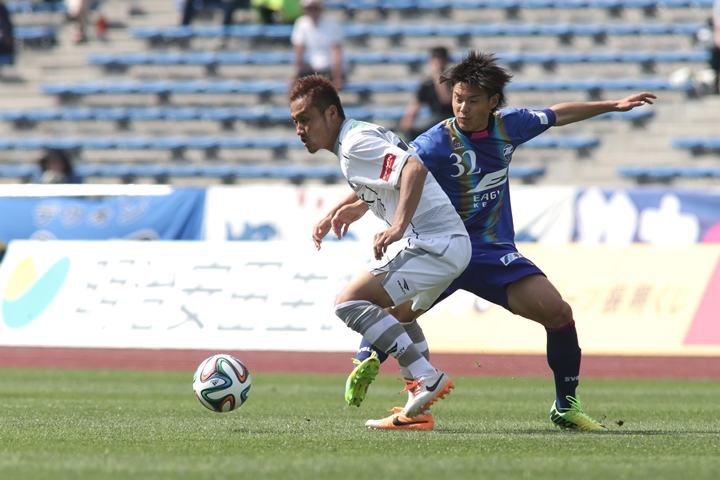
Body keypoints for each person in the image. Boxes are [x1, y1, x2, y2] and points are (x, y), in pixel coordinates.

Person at [334, 51, 657, 431]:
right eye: (458, 99)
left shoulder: (510, 126)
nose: (462, 108)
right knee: (396, 314)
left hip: (490, 252)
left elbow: (557, 114)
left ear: (493, 102)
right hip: (442, 248)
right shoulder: (436, 141)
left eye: (472, 100)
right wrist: (355, 205)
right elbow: (397, 173)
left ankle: (566, 406)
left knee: (558, 313)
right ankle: (377, 369)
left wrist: (613, 106)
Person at [290, 74, 472, 419]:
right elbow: (386, 178)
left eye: (305, 119)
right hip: (449, 245)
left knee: (348, 302)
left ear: (331, 114)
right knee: (401, 317)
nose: (300, 130)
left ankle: (426, 377)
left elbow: (413, 169)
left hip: (434, 243)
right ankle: (417, 409)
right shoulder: (357, 136)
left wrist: (398, 226)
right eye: (296, 122)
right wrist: (351, 209)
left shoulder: (355, 144)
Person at [399, 46, 454, 141]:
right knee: (408, 128)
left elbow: (446, 99)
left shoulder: (451, 80)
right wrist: (408, 118)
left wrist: (437, 74)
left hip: (448, 117)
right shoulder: (428, 82)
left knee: (420, 127)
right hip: (434, 116)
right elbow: (418, 101)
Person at [289, 0, 346, 91]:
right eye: (309, 9)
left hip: (329, 68)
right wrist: (295, 74)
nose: (312, 12)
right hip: (313, 67)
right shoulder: (301, 24)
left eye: (315, 8)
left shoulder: (332, 25)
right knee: (294, 85)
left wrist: (337, 76)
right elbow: (299, 52)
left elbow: (336, 54)